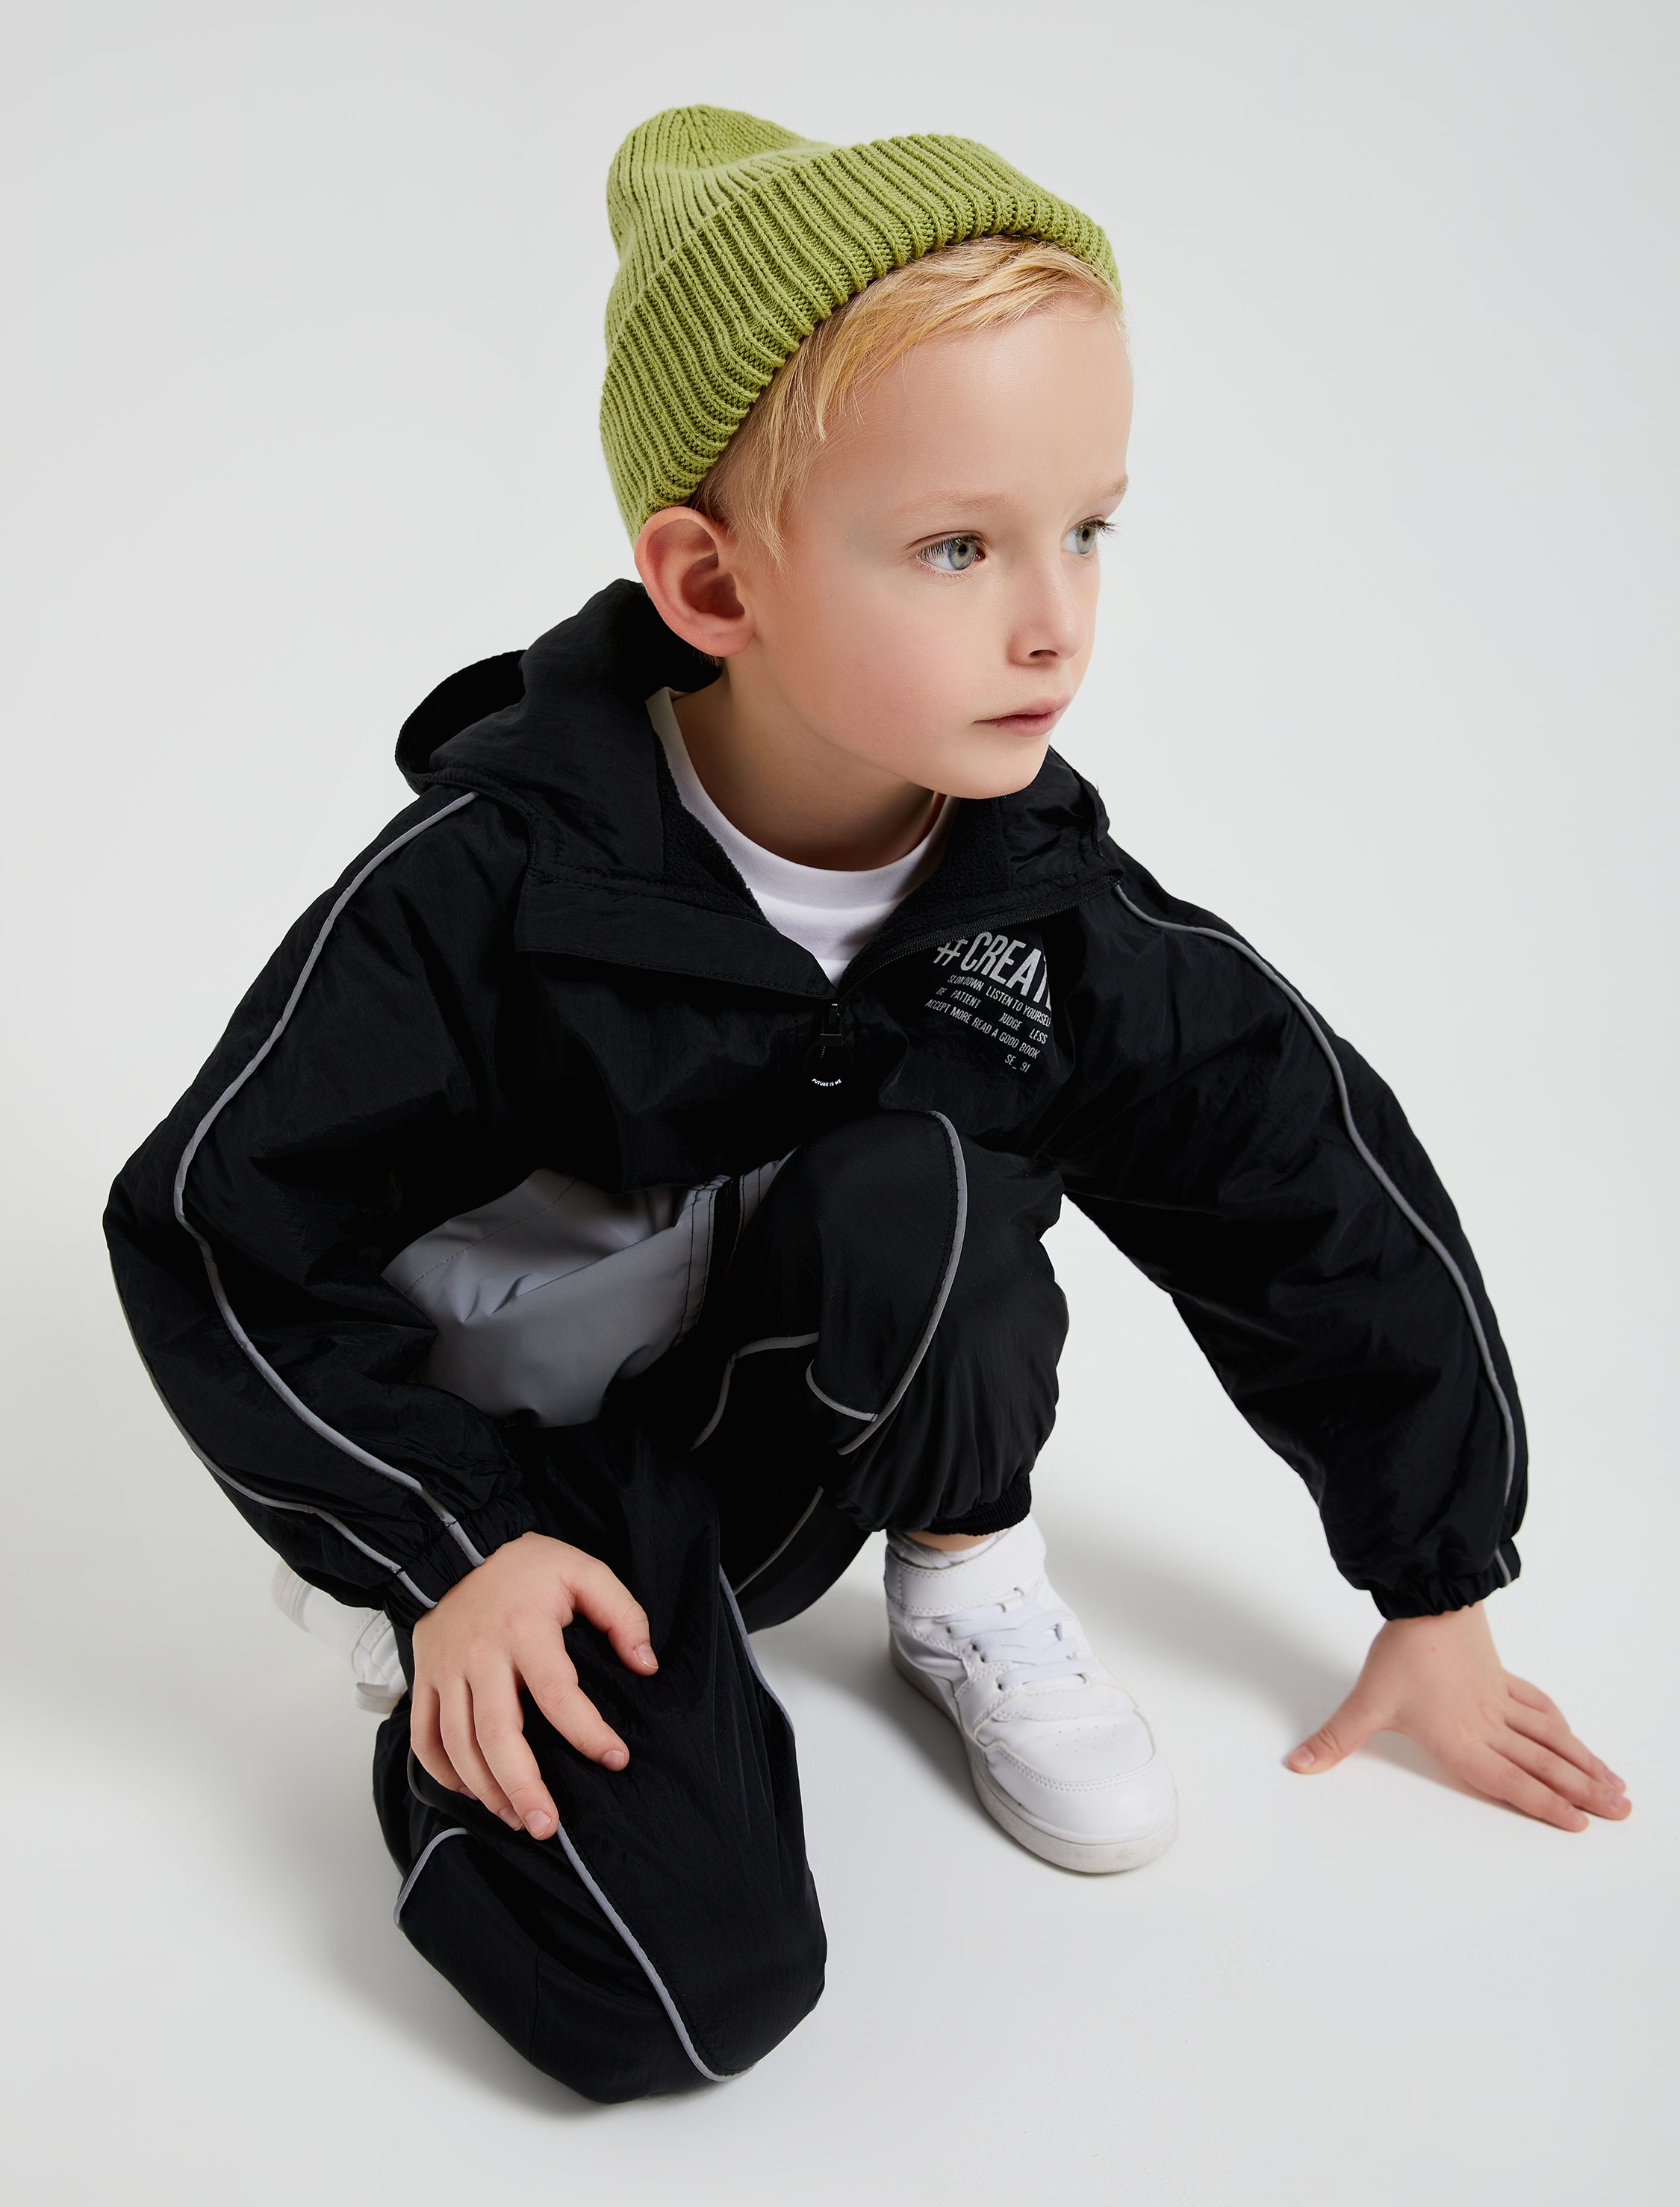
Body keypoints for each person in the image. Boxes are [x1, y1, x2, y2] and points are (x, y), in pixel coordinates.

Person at [105, 105, 1629, 2103]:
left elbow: (1303, 1186)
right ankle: (456, 1654)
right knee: (684, 2001)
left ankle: (966, 1563)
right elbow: (220, 1231)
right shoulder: (487, 883)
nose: (1053, 617)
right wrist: (446, 1545)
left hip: (776, 1441)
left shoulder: (1046, 913)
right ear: (711, 585)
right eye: (956, 547)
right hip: (527, 1493)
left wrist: (1436, 1587)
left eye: (1087, 527)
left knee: (939, 1180)